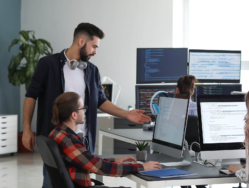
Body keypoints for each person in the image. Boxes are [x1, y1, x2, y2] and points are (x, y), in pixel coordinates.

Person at [22, 23, 151, 188]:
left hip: (83, 140)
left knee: (79, 180)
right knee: (54, 181)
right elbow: (31, 96)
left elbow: (100, 101)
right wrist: (27, 129)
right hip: (56, 140)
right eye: (94, 46)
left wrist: (126, 114)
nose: (95, 51)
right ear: (81, 41)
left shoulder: (92, 71)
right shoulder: (48, 64)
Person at [49, 92, 161, 187]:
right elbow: (100, 167)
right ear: (74, 115)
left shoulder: (57, 133)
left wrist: (113, 160)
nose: (85, 111)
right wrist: (142, 167)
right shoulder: (68, 140)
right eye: (83, 108)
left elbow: (88, 160)